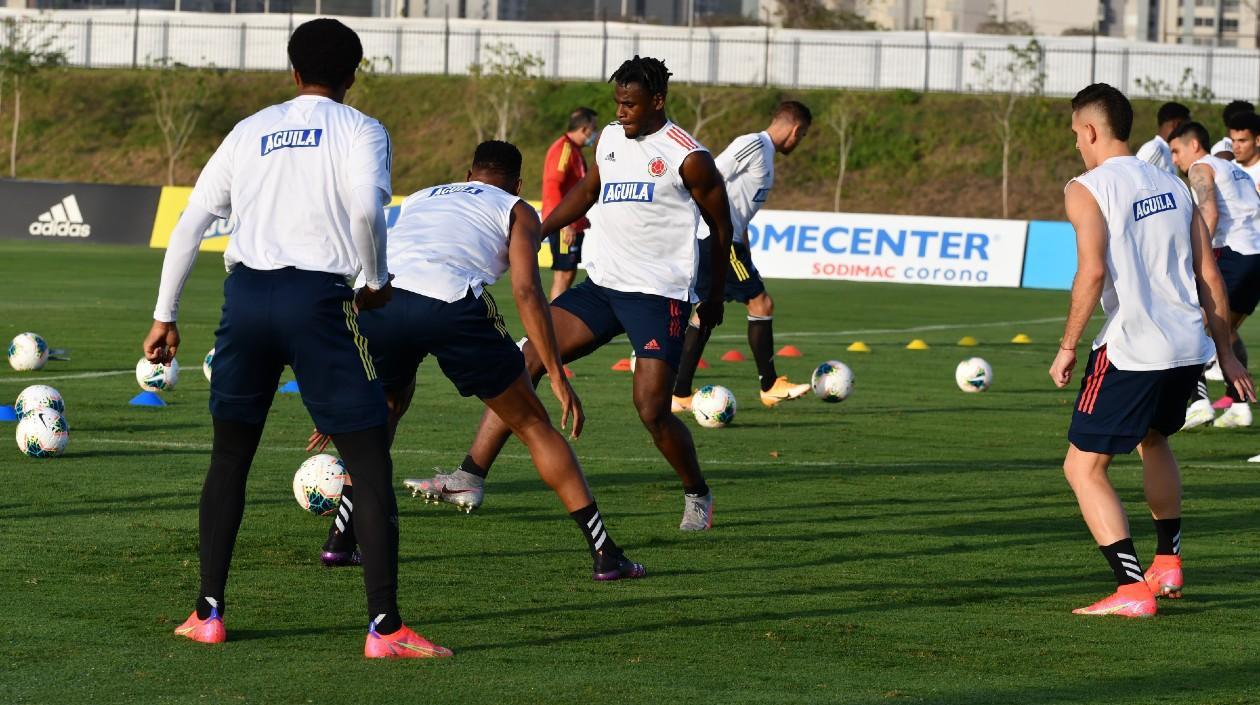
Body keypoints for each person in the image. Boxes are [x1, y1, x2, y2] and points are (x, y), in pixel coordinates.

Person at [142, 19, 449, 659]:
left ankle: (207, 613)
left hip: (247, 300)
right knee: (367, 463)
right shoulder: (362, 128)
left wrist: (164, 314)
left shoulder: (249, 128)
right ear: (355, 71)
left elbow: (191, 220)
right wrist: (374, 279)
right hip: (319, 304)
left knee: (229, 459)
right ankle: (384, 629)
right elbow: (367, 210)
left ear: (291, 70)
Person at [406, 56, 734, 531]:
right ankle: (468, 476)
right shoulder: (612, 141)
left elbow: (722, 227)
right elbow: (584, 193)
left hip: (658, 295)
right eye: (618, 102)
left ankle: (697, 493)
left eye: (630, 103)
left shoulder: (690, 158)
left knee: (652, 411)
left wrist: (716, 294)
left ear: (657, 101)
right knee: (523, 361)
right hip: (601, 287)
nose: (620, 112)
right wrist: (538, 229)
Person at [312, 141, 645, 581]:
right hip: (450, 304)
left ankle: (340, 541)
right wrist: (556, 374)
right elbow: (527, 291)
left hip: (383, 302)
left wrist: (343, 394)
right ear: (518, 183)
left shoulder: (420, 197)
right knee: (532, 425)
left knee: (383, 411)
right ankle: (605, 555)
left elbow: (373, 258)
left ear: (468, 175)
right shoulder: (517, 208)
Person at [1051, 83, 1252, 618]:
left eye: (1076, 134)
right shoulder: (1174, 183)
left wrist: (1069, 345)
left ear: (1090, 130)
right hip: (1188, 345)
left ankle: (1132, 588)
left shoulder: (1086, 187)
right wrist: (1226, 354)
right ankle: (1168, 562)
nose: (1076, 144)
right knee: (1154, 439)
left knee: (1082, 468)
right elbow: (1209, 274)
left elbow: (1091, 273)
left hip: (1132, 346)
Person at [672, 101, 814, 411]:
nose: (798, 143)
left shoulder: (766, 155)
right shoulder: (752, 144)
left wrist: (742, 241)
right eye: (801, 137)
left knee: (706, 313)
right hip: (717, 240)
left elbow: (739, 204)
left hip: (726, 239)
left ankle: (679, 393)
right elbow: (707, 175)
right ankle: (770, 385)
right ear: (795, 129)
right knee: (761, 303)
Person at [1170, 121, 1260, 429]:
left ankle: (1198, 402)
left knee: (1189, 323)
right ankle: (1238, 404)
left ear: (1194, 145)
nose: (1174, 160)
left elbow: (1210, 213)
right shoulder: (1236, 170)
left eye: (1175, 151)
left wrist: (1197, 256)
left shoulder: (1200, 168)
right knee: (1227, 330)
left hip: (1233, 255)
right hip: (1256, 259)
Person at [544, 107, 599, 301]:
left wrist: (580, 219)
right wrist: (565, 224)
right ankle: (554, 323)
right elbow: (553, 186)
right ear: (585, 129)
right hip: (563, 225)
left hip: (572, 224)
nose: (595, 132)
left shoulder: (574, 150)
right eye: (594, 127)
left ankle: (557, 321)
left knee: (569, 272)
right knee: (563, 273)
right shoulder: (564, 149)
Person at [1135, 102, 1189, 176]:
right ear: (1176, 124)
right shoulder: (1155, 149)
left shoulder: (1167, 151)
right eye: (1187, 128)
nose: (1187, 133)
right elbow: (1135, 179)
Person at [1227, 111, 1260, 190]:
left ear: (1258, 141)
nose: (1235, 147)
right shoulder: (1227, 169)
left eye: (1242, 141)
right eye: (1233, 140)